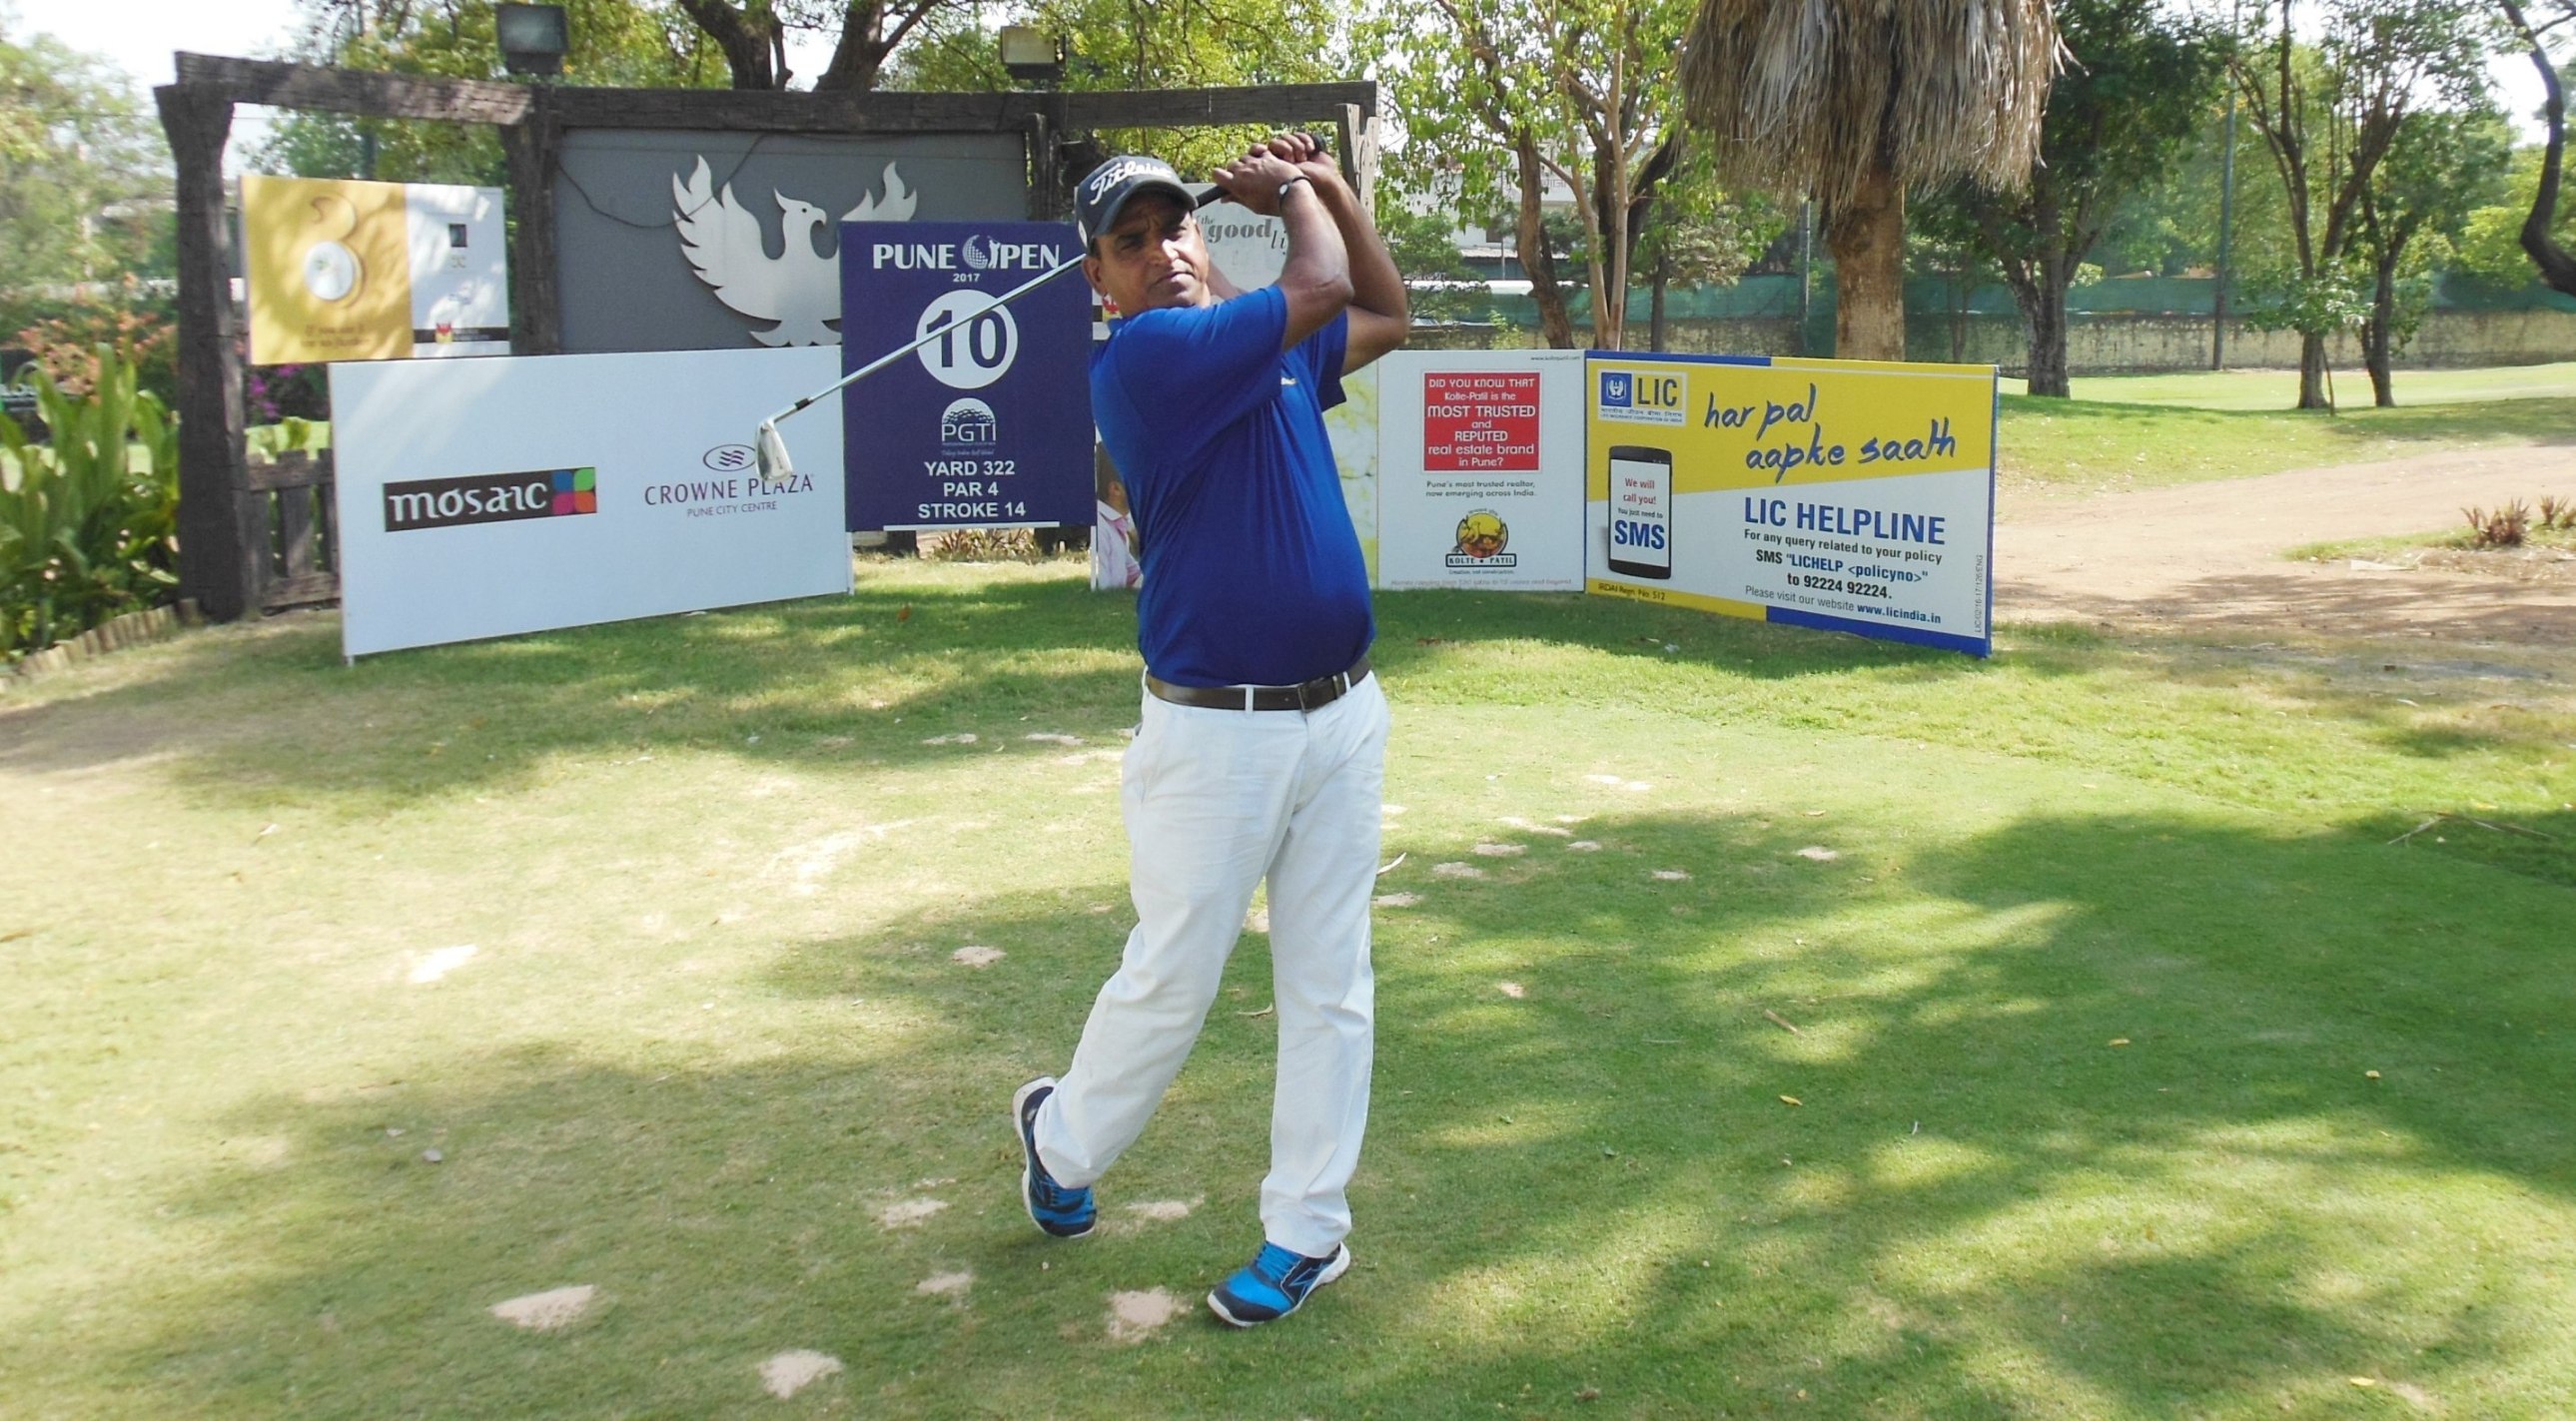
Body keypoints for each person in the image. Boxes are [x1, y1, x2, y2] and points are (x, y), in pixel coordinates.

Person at [1013, 134, 1409, 1328]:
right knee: (1174, 977)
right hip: (1214, 735)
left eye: (1174, 226)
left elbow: (1385, 311)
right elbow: (1323, 283)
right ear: (1097, 279)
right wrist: (1290, 192)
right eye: (1128, 242)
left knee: (1329, 982)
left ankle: (1307, 1232)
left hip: (1342, 713)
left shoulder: (1258, 338)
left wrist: (1331, 187)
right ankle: (1061, 1141)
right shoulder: (1147, 359)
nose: (1162, 252)